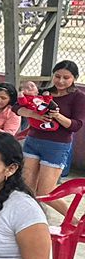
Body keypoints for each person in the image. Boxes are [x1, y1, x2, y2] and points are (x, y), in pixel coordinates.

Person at [17, 60, 84, 196]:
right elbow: (16, 107)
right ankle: (33, 210)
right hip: (33, 141)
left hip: (57, 146)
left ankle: (71, 211)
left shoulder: (79, 97)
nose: (60, 81)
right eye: (57, 76)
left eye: (66, 78)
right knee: (26, 189)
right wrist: (33, 114)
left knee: (45, 193)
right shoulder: (43, 93)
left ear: (75, 78)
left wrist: (57, 116)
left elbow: (76, 125)